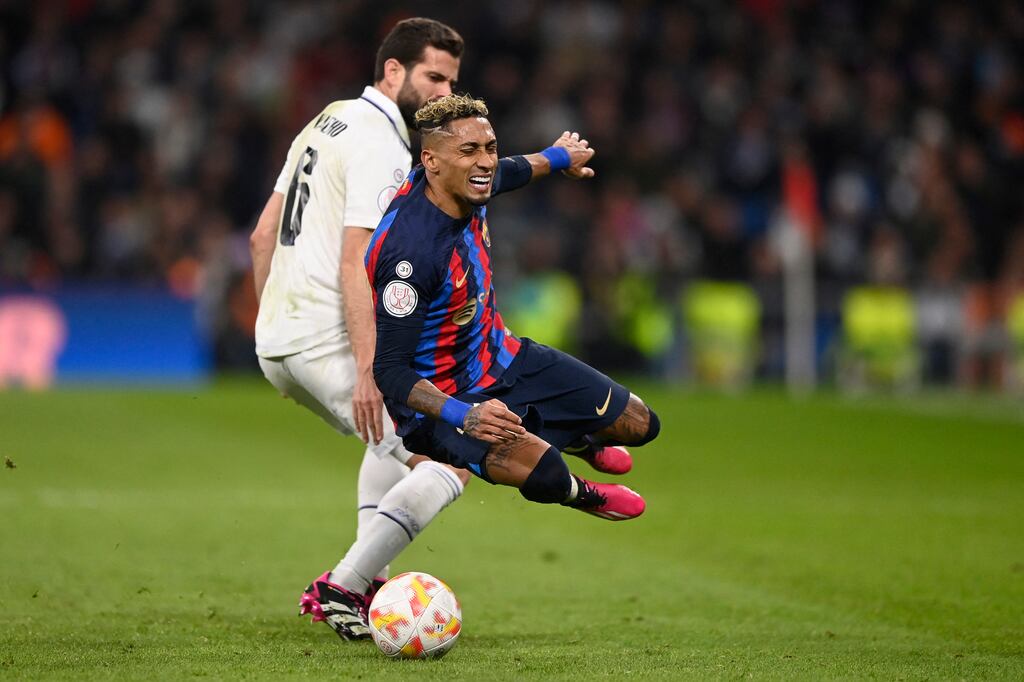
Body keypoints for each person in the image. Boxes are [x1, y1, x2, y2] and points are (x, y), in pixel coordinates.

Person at [249, 18, 468, 641]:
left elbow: (262, 235)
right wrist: (371, 370)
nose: (443, 93)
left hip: (280, 344)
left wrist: (272, 329)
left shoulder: (329, 118)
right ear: (393, 71)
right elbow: (355, 263)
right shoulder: (380, 144)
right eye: (433, 77)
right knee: (449, 459)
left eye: (451, 81)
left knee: (387, 445)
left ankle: (371, 582)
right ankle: (340, 586)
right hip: (329, 341)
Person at [367, 94, 660, 521]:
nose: (484, 161)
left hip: (502, 356)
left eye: (489, 147)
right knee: (546, 474)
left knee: (641, 424)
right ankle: (581, 493)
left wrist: (560, 156)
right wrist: (463, 415)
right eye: (469, 150)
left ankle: (578, 439)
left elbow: (511, 171)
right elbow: (390, 372)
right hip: (446, 402)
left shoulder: (468, 182)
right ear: (431, 161)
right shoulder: (408, 256)